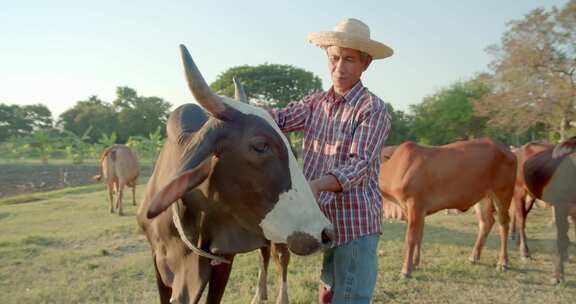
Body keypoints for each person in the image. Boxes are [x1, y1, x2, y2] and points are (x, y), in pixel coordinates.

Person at [269, 18, 393, 303]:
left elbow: (358, 165)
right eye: (335, 58)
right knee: (329, 292)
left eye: (349, 59)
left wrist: (315, 186)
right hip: (324, 221)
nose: (340, 67)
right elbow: (280, 119)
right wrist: (240, 112)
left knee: (349, 296)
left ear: (366, 63)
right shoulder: (315, 104)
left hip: (355, 222)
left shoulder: (372, 109)